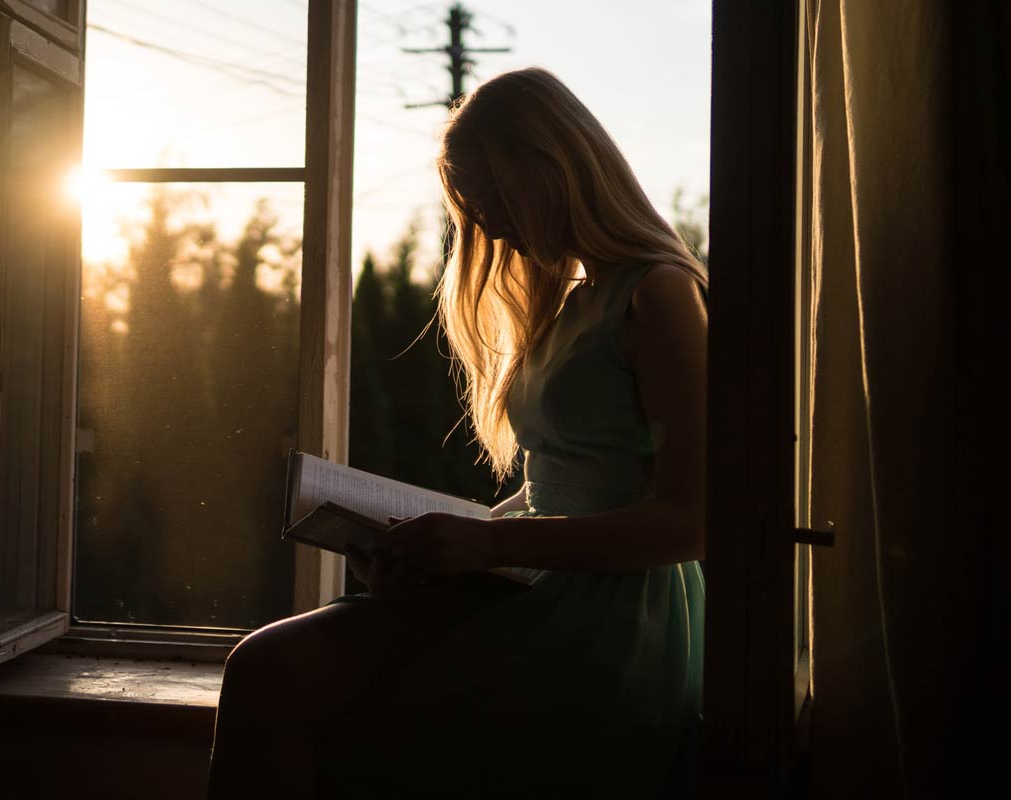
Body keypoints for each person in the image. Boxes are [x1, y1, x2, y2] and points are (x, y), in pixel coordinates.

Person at [206, 67, 708, 799]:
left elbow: (690, 523)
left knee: (309, 708)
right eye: (475, 212)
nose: (493, 228)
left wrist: (488, 544)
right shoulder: (579, 304)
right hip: (538, 581)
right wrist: (432, 546)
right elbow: (552, 487)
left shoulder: (659, 293)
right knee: (264, 667)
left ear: (554, 165)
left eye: (495, 198)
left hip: (612, 618)